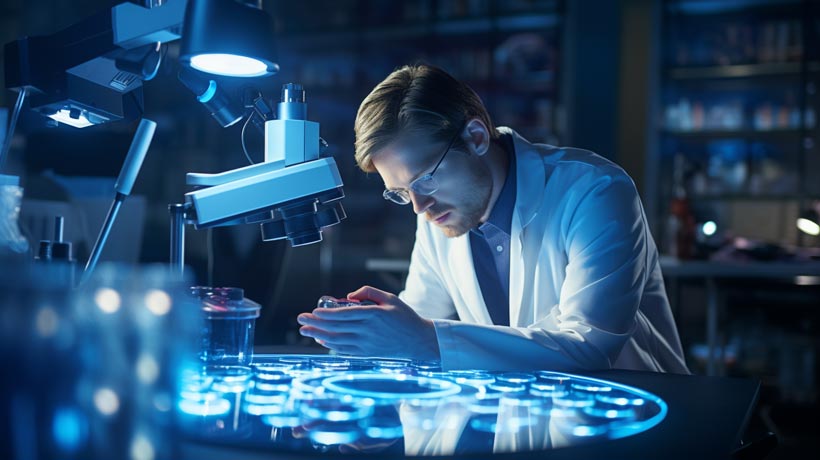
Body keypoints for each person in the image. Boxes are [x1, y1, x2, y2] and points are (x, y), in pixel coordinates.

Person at [297, 64, 689, 373]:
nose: (417, 206)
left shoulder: (595, 190)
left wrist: (424, 339)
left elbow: (589, 347)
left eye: (426, 179)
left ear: (476, 137)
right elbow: (422, 319)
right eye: (401, 193)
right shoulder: (438, 211)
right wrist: (370, 335)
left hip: (634, 421)